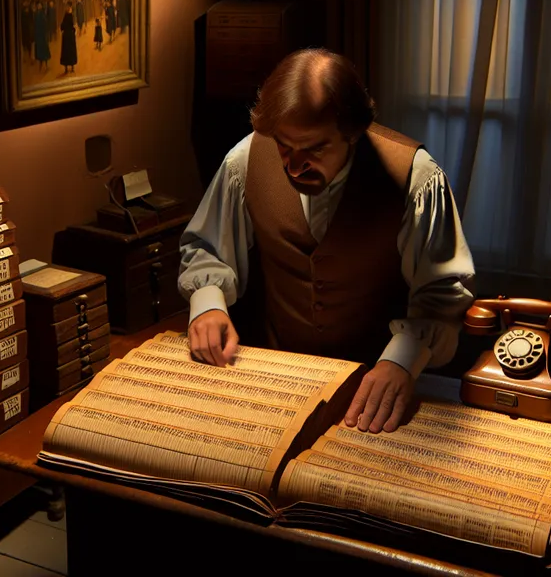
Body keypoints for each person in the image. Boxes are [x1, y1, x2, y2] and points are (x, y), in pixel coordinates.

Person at [178, 48, 475, 435]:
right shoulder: (245, 160)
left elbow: (442, 294)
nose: (292, 165)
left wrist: (401, 362)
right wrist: (207, 305)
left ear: (352, 133)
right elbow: (206, 249)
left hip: (374, 390)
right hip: (278, 384)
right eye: (284, 145)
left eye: (314, 149)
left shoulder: (415, 178)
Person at [59, 2, 77, 74]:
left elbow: (62, 26)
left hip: (66, 35)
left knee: (66, 51)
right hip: (70, 35)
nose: (71, 8)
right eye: (70, 7)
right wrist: (74, 29)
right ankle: (71, 67)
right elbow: (71, 25)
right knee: (71, 50)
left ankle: (66, 68)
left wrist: (63, 30)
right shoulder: (70, 16)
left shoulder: (66, 15)